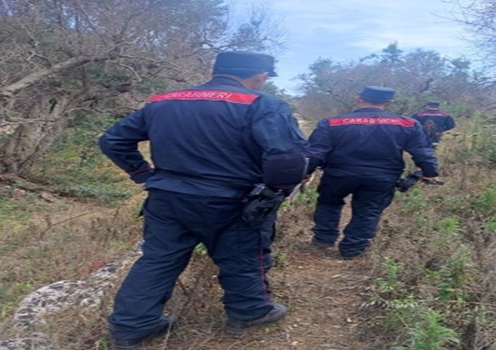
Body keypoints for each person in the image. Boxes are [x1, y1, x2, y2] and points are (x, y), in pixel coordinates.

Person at [99, 51, 308, 349]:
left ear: (215, 70)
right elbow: (288, 159)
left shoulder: (162, 101)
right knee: (243, 255)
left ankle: (132, 327)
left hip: (167, 197)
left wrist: (143, 175)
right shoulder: (263, 104)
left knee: (158, 259)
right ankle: (249, 312)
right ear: (261, 76)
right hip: (232, 199)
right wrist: (276, 192)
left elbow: (112, 140)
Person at [306, 86, 440, 259]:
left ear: (358, 99)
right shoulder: (408, 123)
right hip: (382, 177)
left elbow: (316, 151)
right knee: (369, 210)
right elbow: (422, 150)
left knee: (328, 203)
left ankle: (323, 239)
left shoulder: (332, 122)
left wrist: (305, 172)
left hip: (338, 174)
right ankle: (353, 249)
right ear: (389, 103)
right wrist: (430, 171)